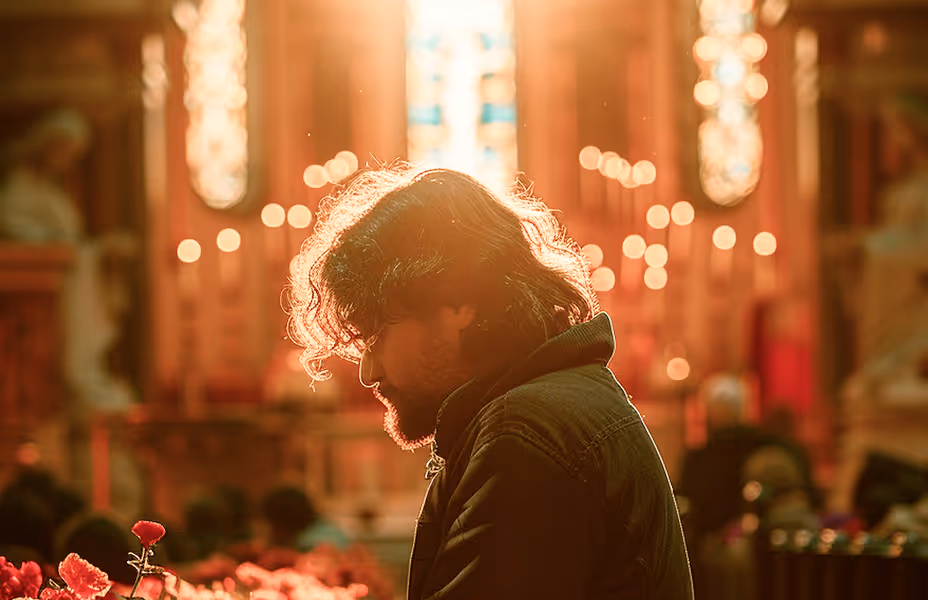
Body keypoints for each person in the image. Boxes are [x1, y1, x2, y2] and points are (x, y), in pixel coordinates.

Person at [288, 167, 693, 599]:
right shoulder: (548, 405)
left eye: (375, 334)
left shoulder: (524, 431)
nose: (368, 372)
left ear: (458, 303)